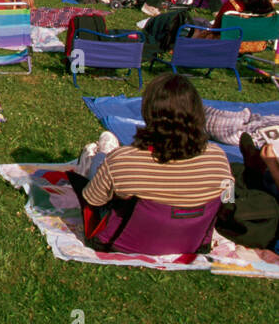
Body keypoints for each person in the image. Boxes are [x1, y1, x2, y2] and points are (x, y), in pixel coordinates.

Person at [74, 75, 232, 246]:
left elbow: (93, 200)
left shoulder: (124, 160)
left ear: (148, 112)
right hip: (190, 240)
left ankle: (94, 158)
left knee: (101, 165)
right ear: (197, 113)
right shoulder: (218, 158)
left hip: (124, 241)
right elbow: (227, 201)